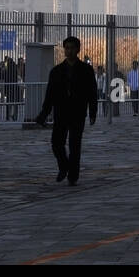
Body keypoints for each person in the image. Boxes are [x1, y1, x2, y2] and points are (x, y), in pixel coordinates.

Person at [35, 36, 97, 185]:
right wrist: (44, 113)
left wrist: (93, 112)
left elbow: (92, 93)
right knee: (56, 143)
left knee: (75, 145)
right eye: (67, 48)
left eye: (72, 48)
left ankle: (73, 175)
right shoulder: (56, 71)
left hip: (78, 112)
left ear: (78, 49)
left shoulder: (86, 70)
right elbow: (50, 94)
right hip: (61, 112)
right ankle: (64, 166)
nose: (69, 51)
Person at [1, 55, 20, 121]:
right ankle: (15, 116)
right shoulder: (15, 67)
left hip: (9, 87)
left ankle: (7, 116)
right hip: (15, 87)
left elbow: (2, 75)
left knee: (9, 103)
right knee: (15, 103)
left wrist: (4, 65)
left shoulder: (7, 68)